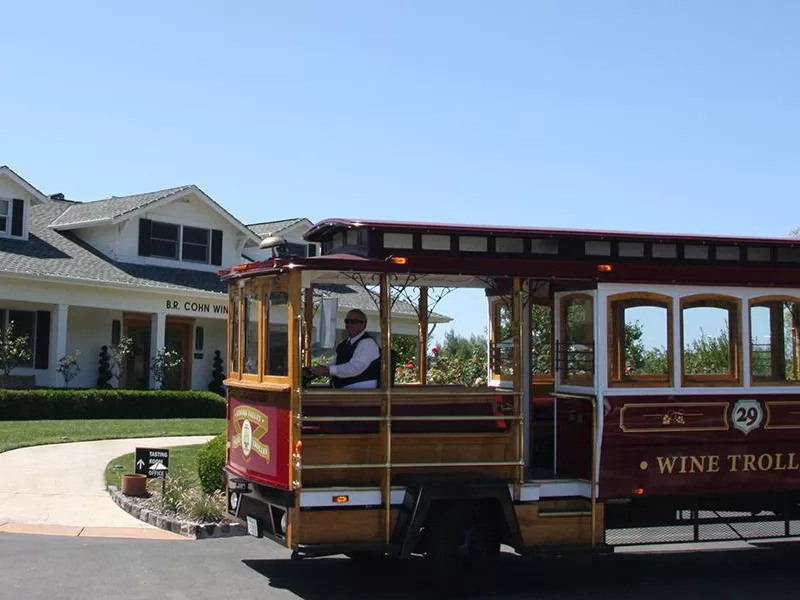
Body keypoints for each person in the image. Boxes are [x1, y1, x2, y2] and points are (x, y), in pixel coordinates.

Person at [310, 309, 381, 388]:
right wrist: (319, 369)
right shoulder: (342, 344)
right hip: (343, 390)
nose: (349, 324)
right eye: (347, 321)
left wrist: (328, 370)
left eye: (354, 322)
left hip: (362, 393)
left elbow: (354, 368)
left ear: (364, 325)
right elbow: (334, 364)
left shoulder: (367, 343)